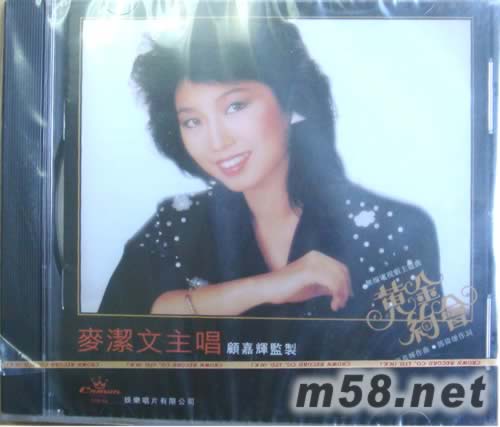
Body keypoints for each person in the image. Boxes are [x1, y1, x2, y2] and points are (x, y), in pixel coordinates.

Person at [98, 8, 441, 349]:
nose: (217, 142)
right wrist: (267, 287)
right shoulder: (176, 226)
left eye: (235, 106)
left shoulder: (390, 231)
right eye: (192, 121)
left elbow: (412, 368)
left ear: (290, 101)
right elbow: (112, 337)